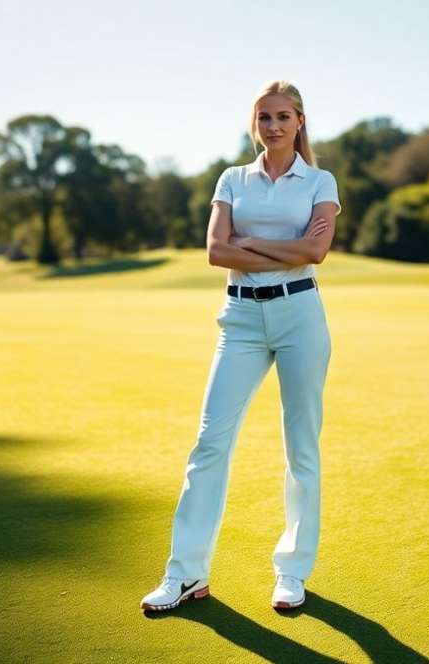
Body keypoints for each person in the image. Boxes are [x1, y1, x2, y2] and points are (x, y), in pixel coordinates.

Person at [141, 80, 341, 612]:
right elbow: (215, 251)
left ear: (299, 121)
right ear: (255, 124)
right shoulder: (232, 179)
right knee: (209, 442)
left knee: (301, 447)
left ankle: (292, 572)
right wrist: (282, 248)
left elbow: (316, 251)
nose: (273, 126)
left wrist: (248, 242)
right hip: (242, 319)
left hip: (300, 316)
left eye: (282, 116)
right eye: (264, 117)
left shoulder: (319, 181)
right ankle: (186, 574)